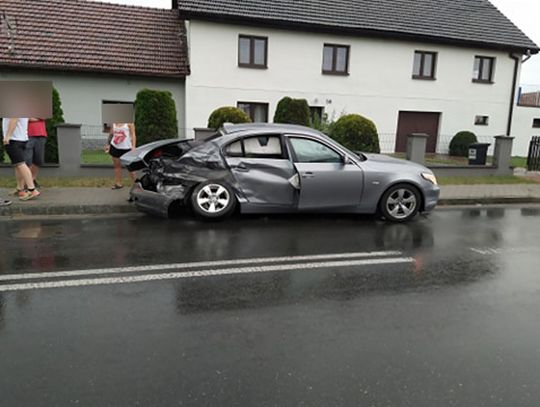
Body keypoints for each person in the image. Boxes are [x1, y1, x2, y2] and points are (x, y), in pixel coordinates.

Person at [2, 118, 40, 201]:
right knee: (18, 165)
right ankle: (20, 189)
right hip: (22, 139)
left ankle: (32, 190)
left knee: (21, 164)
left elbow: (14, 119)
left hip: (14, 139)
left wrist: (8, 136)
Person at [105, 122, 136, 189]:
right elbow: (111, 134)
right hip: (115, 147)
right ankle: (118, 184)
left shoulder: (129, 123)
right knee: (117, 167)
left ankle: (136, 185)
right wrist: (108, 144)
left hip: (126, 148)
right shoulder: (113, 122)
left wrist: (133, 146)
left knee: (131, 168)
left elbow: (133, 134)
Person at [25, 118, 47, 188]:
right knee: (27, 160)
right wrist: (38, 118)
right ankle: (27, 182)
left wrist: (31, 118)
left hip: (41, 134)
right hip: (27, 135)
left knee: (38, 160)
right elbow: (24, 118)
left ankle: (32, 179)